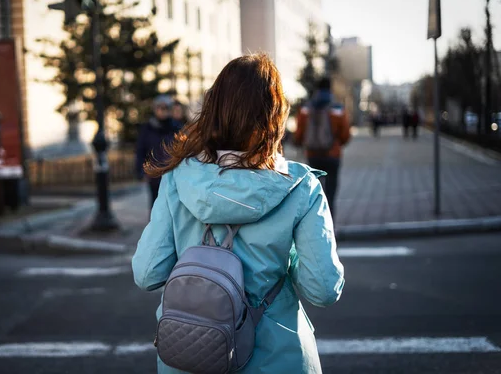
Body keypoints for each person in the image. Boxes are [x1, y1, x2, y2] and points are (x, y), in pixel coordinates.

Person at [132, 54, 344, 373]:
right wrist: (289, 259)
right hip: (277, 358)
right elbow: (323, 290)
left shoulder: (177, 178)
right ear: (274, 117)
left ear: (214, 109)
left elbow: (148, 273)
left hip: (191, 357)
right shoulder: (301, 187)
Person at [294, 77, 351, 220]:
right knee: (330, 193)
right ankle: (330, 226)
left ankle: (316, 225)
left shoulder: (306, 109)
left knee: (315, 193)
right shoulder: (337, 109)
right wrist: (336, 144)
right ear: (330, 89)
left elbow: (299, 134)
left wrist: (303, 144)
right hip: (333, 155)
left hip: (313, 156)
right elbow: (345, 135)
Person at [136, 95, 178, 212]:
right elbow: (140, 150)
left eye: (165, 108)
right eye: (160, 108)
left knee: (172, 207)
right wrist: (141, 171)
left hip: (173, 174)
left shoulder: (176, 128)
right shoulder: (147, 129)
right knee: (156, 206)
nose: (162, 111)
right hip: (154, 175)